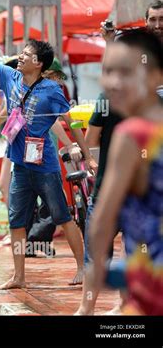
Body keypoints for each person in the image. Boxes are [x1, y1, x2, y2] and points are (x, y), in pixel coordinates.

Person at [0, 16, 99, 288]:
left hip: (45, 166)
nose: (20, 57)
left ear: (38, 63)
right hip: (20, 166)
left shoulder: (51, 89)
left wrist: (88, 154)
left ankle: (83, 269)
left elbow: (70, 120)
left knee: (62, 216)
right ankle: (19, 276)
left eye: (26, 55)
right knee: (16, 222)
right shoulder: (10, 77)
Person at [89, 29, 163, 315]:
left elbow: (103, 218)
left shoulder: (133, 134)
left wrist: (97, 267)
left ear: (156, 76)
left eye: (126, 73)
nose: (114, 82)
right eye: (108, 71)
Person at [74, 93, 125, 315]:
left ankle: (87, 308)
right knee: (134, 252)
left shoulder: (108, 98)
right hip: (142, 192)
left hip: (107, 189)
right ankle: (123, 305)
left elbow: (91, 139)